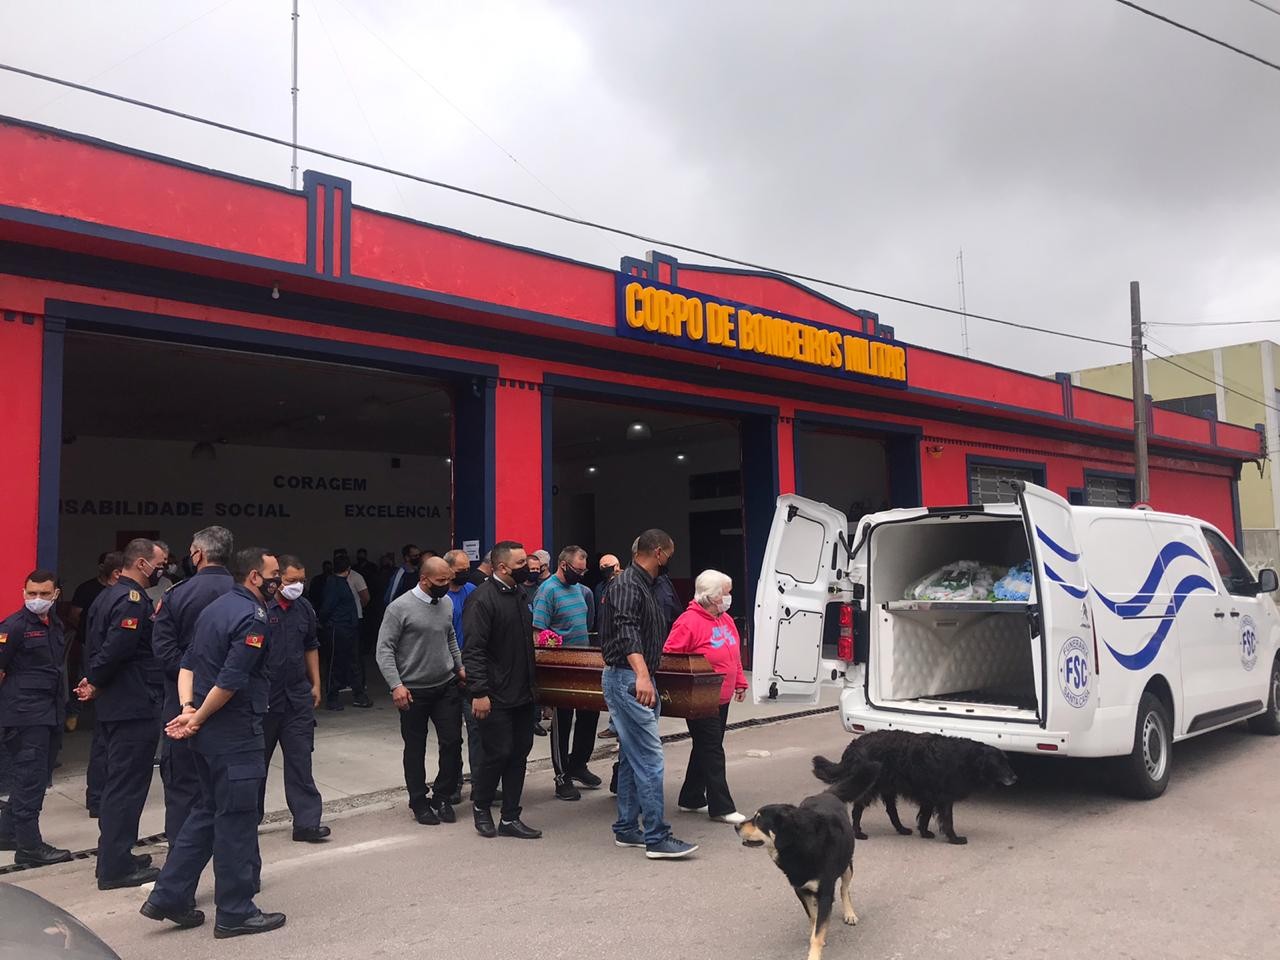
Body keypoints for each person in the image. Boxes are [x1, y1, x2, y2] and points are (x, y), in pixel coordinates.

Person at [140, 547, 286, 938]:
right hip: (234, 734)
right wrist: (197, 717)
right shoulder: (252, 617)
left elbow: (186, 664)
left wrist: (189, 709)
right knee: (236, 821)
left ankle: (168, 896)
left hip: (208, 735)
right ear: (255, 577)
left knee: (206, 813)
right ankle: (236, 912)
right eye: (274, 575)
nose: (280, 581)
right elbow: (231, 680)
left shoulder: (215, 609)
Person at [598, 529, 696, 859]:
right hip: (629, 679)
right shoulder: (627, 583)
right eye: (669, 554)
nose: (670, 560)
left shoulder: (646, 584)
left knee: (631, 755)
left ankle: (627, 828)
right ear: (657, 552)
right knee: (650, 758)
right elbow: (626, 629)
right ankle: (657, 837)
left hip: (636, 677)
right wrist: (641, 675)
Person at [78, 538, 168, 889]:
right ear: (142, 563)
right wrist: (95, 680)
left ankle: (116, 854)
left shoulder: (110, 595)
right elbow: (118, 647)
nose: (163, 568)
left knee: (121, 784)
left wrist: (94, 680)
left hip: (120, 702)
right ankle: (115, 867)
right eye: (159, 562)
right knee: (126, 787)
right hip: (132, 703)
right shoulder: (130, 599)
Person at [152, 526, 235, 846]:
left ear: (197, 554)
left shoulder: (177, 593)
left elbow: (163, 650)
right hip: (233, 703)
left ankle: (181, 863)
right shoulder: (244, 593)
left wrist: (192, 680)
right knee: (230, 785)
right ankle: (231, 861)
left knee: (182, 786)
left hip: (182, 705)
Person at [377, 557, 465, 826]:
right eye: (441, 581)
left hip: (445, 685)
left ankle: (442, 795)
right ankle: (418, 801)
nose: (447, 585)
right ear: (424, 580)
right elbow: (384, 650)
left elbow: (449, 635)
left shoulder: (446, 602)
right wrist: (396, 685)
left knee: (452, 743)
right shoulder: (399, 608)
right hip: (413, 690)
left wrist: (459, 666)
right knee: (414, 748)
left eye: (448, 579)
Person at [462, 541, 540, 840]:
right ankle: (481, 807)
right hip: (493, 695)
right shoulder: (482, 600)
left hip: (523, 692)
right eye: (521, 564)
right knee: (497, 753)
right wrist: (479, 692)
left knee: (520, 753)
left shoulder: (519, 594)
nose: (528, 569)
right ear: (503, 567)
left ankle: (510, 817)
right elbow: (474, 650)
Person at [663, 570, 748, 825]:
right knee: (712, 748)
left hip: (721, 696)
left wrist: (740, 682)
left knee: (706, 746)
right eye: (725, 593)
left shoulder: (726, 620)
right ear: (710, 597)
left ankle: (691, 797)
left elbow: (733, 654)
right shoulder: (688, 622)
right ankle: (721, 806)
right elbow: (670, 657)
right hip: (699, 697)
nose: (729, 598)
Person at [0, 570, 73, 865]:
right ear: (23, 593)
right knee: (29, 780)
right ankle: (30, 847)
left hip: (49, 713)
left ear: (55, 594)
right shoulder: (13, 626)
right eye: (32, 593)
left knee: (37, 776)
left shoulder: (54, 624)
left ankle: (6, 832)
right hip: (24, 716)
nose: (37, 599)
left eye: (44, 594)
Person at [260, 555, 329, 842]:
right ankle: (246, 822)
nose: (296, 586)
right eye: (290, 581)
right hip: (265, 699)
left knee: (301, 761)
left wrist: (316, 683)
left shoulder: (304, 609)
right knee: (255, 765)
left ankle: (306, 822)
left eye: (301, 580)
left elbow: (310, 646)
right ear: (276, 580)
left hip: (297, 696)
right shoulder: (261, 608)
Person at [532, 546, 601, 801]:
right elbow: (538, 633)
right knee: (562, 722)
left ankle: (579, 764)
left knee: (590, 714)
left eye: (584, 571)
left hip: (583, 664)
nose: (581, 575)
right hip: (560, 668)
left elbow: (588, 622)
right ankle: (562, 776)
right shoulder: (547, 591)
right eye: (577, 570)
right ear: (563, 565)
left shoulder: (581, 590)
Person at [65, 551, 124, 734]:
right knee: (84, 677)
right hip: (87, 642)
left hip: (107, 644)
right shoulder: (88, 589)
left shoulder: (119, 593)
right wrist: (87, 633)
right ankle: (74, 713)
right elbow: (74, 615)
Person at [444, 549, 480, 800]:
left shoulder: (471, 591)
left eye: (468, 567)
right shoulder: (439, 594)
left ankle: (481, 783)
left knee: (478, 730)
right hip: (446, 671)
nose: (465, 572)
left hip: (471, 667)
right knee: (450, 735)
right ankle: (452, 783)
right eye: (460, 569)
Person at [318, 555, 371, 710]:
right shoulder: (335, 584)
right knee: (336, 663)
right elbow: (327, 608)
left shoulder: (337, 583)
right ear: (348, 570)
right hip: (338, 628)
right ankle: (332, 697)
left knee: (353, 662)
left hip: (348, 628)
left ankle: (359, 694)